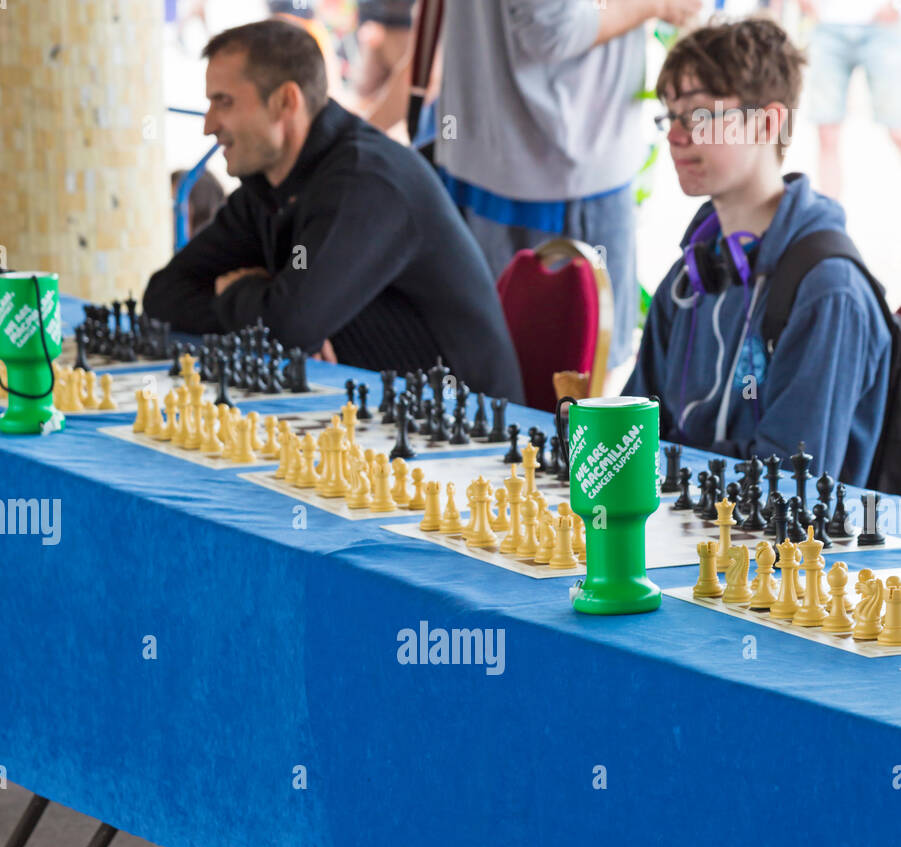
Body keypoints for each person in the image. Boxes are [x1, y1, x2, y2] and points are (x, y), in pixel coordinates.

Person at [143, 19, 524, 399]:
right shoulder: (268, 183)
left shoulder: (365, 182)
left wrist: (241, 290)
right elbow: (162, 295)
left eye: (223, 102)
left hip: (465, 432)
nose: (209, 125)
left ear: (285, 102)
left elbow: (287, 327)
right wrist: (267, 308)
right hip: (364, 413)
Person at [624, 17, 893, 485]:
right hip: (687, 536)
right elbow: (632, 430)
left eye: (697, 115)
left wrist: (666, 462)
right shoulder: (690, 276)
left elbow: (791, 486)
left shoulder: (827, 291)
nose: (674, 135)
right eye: (669, 116)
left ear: (767, 122)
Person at [435, 0, 703, 372]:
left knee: (497, 371)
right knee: (576, 382)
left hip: (500, 146)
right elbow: (552, 31)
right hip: (556, 164)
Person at [799, 0, 901, 200]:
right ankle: (829, 215)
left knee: (897, 128)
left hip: (881, 27)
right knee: (826, 132)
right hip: (827, 26)